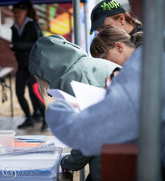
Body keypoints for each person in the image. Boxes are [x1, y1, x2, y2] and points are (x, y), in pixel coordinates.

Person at [45, 0, 165, 180]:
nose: (134, 12)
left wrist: (60, 108)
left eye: (132, 2)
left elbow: (85, 131)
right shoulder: (153, 45)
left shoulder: (148, 55)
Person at [29, 34, 121, 181]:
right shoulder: (88, 64)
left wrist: (68, 162)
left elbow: (89, 133)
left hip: (112, 157)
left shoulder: (72, 78)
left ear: (45, 69)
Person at [10, 0, 46, 129]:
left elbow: (39, 44)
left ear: (25, 12)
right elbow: (14, 43)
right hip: (21, 66)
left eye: (19, 12)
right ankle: (29, 118)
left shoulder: (32, 25)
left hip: (33, 66)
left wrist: (19, 46)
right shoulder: (14, 26)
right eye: (14, 12)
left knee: (34, 93)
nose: (16, 15)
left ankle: (45, 119)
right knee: (19, 93)